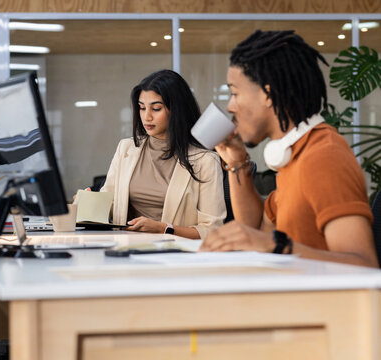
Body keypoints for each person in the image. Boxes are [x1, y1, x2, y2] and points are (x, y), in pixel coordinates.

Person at [200, 30, 378, 268]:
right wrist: (236, 161)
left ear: (268, 94)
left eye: (235, 93)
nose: (231, 106)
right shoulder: (293, 154)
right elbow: (253, 231)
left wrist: (278, 246)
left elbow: (363, 265)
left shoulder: (324, 157)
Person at [99, 69, 226, 239]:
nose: (146, 117)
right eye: (142, 108)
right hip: (127, 248)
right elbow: (109, 202)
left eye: (156, 109)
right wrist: (88, 204)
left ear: (177, 110)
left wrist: (163, 229)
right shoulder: (126, 148)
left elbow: (212, 230)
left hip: (175, 254)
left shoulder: (205, 160)